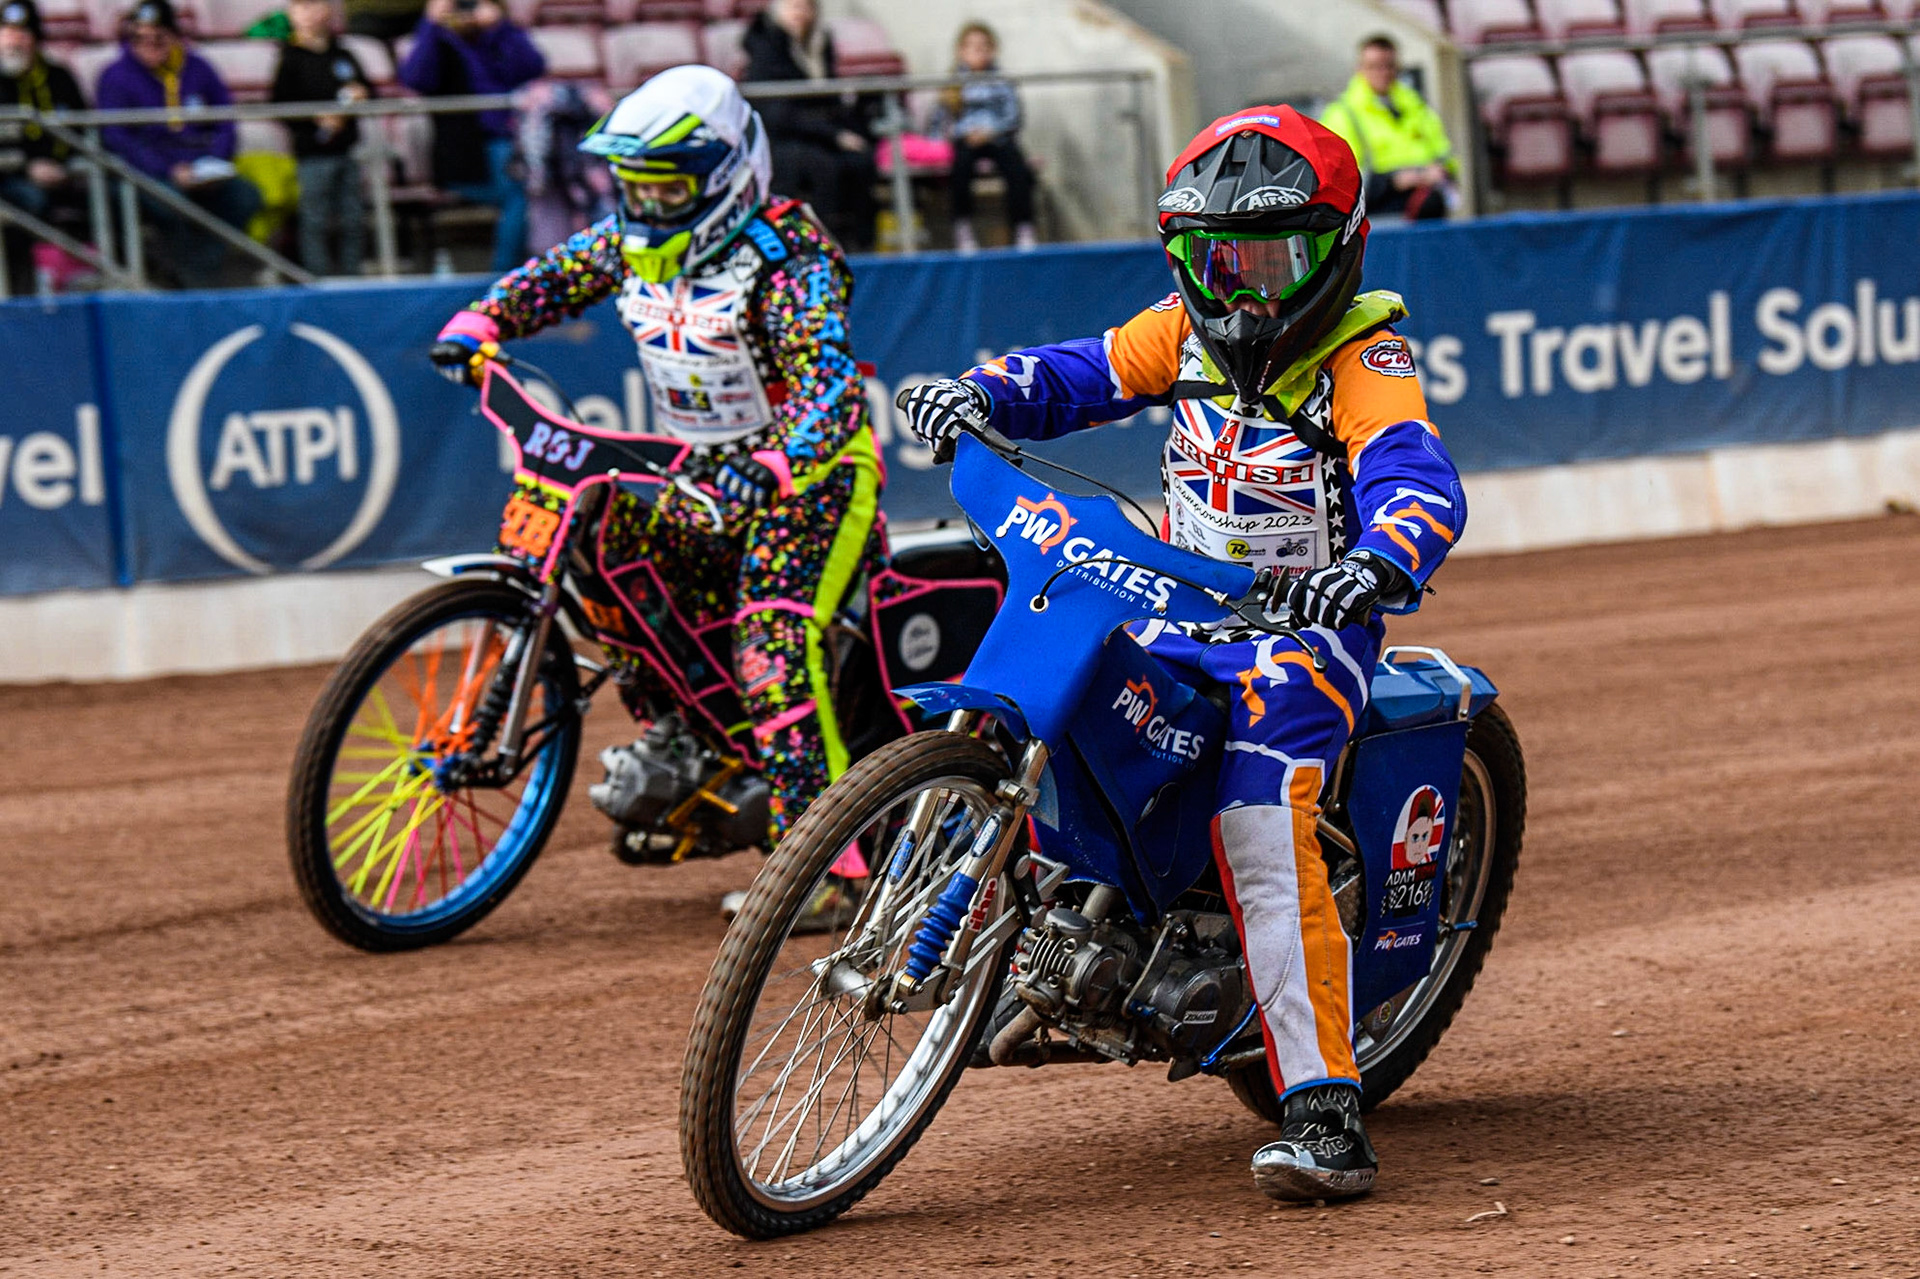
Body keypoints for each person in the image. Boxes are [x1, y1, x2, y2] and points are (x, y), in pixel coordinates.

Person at [898, 106, 1467, 1202]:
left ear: (1337, 249)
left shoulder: (1365, 353)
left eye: (1269, 259)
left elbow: (1413, 469)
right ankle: (1020, 950)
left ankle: (1324, 1105)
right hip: (1169, 597)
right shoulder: (1184, 332)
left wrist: (1380, 558)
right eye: (1216, 261)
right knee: (1055, 702)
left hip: (1304, 632)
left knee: (1259, 820)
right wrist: (984, 390)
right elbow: (1080, 371)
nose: (1244, 287)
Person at [428, 67, 884, 927]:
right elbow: (555, 276)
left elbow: (830, 391)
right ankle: (684, 729)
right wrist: (482, 322)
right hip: (698, 472)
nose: (645, 204)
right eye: (633, 185)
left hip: (810, 483)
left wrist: (778, 464)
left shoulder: (789, 257)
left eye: (665, 186)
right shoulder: (632, 239)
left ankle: (832, 868)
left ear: (722, 179)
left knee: (772, 647)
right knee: (600, 545)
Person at [96, 0, 263, 287]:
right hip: (145, 173)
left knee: (246, 196)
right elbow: (116, 137)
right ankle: (189, 281)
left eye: (158, 37)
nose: (148, 45)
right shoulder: (116, 76)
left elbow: (225, 122)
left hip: (200, 168)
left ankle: (200, 272)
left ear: (174, 36)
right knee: (170, 203)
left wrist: (212, 164)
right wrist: (168, 169)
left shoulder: (199, 68)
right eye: (138, 38)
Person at [398, 0, 543, 271]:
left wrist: (501, 27)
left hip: (508, 141)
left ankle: (514, 269)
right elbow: (416, 78)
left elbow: (532, 67)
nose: (465, 13)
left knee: (531, 190)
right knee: (517, 196)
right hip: (461, 152)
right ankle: (504, 273)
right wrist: (431, 24)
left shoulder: (497, 40)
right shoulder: (438, 42)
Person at [742, 0, 876, 252]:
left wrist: (844, 129)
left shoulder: (819, 45)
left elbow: (828, 101)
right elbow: (778, 113)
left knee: (861, 160)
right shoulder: (765, 46)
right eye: (792, 6)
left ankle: (864, 245)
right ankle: (821, 246)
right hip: (779, 137)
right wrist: (834, 134)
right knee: (821, 165)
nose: (799, 13)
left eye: (805, 6)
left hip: (816, 133)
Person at [270, 0, 370, 276]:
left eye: (316, 5)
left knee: (353, 219)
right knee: (314, 220)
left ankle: (354, 276)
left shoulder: (342, 55)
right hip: (311, 154)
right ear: (292, 14)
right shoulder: (290, 58)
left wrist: (361, 95)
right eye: (302, 7)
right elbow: (280, 105)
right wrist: (316, 118)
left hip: (346, 150)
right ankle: (317, 279)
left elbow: (368, 91)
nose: (311, 13)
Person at [1321, 34, 1456, 222]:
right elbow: (1340, 180)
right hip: (1377, 214)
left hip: (1426, 205)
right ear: (1359, 69)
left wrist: (1439, 171)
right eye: (1375, 66)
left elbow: (1444, 154)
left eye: (1389, 65)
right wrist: (1392, 181)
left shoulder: (1416, 106)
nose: (1383, 72)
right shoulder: (1342, 114)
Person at [0, 0, 87, 283]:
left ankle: (125, 281)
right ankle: (22, 282)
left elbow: (83, 132)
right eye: (7, 32)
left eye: (23, 34)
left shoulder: (59, 78)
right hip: (10, 179)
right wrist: (27, 167)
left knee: (110, 193)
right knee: (29, 201)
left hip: (64, 174)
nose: (15, 41)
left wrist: (64, 167)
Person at [935, 21, 1034, 253]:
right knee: (960, 167)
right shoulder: (954, 84)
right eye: (971, 46)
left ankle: (1023, 227)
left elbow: (1014, 116)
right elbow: (942, 121)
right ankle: (963, 228)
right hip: (966, 140)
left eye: (983, 46)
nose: (977, 52)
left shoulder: (1001, 81)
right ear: (961, 51)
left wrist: (991, 132)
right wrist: (963, 134)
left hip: (997, 137)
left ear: (992, 50)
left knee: (1017, 167)